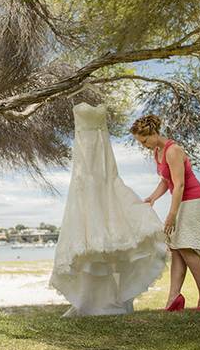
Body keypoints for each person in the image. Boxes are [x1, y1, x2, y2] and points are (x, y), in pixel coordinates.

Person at [50, 102, 168, 316]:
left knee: (112, 206)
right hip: (85, 156)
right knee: (90, 209)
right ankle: (90, 299)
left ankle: (115, 298)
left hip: (105, 158)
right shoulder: (72, 98)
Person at [130, 114, 200, 311]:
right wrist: (152, 198)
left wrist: (171, 215)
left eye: (144, 140)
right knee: (176, 249)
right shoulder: (157, 152)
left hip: (193, 201)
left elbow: (179, 186)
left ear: (153, 133)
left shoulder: (173, 150)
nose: (143, 145)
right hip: (182, 201)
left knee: (186, 247)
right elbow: (165, 181)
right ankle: (174, 298)